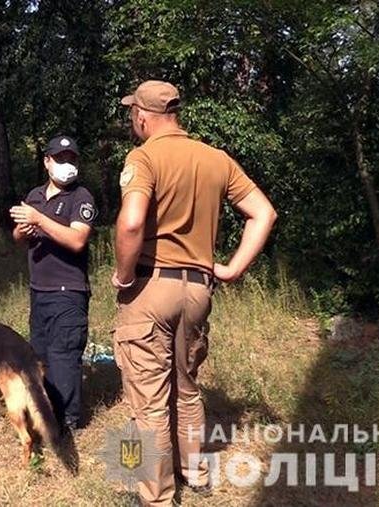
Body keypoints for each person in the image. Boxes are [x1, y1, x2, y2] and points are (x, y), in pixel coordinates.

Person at [111, 80, 277, 505]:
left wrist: (125, 275)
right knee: (186, 389)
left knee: (146, 400)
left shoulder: (144, 157)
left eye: (133, 113)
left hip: (151, 286)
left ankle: (155, 495)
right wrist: (233, 268)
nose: (134, 119)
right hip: (198, 290)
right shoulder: (215, 159)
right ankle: (197, 474)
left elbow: (131, 223)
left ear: (143, 116)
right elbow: (263, 213)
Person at [10, 135, 97, 433]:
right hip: (39, 289)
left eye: (72, 159)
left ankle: (69, 421)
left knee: (64, 355)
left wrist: (40, 220)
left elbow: (77, 239)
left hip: (68, 290)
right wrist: (23, 230)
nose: (67, 165)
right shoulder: (34, 195)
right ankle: (47, 410)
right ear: (47, 162)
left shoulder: (81, 197)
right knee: (41, 354)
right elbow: (18, 238)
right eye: (61, 159)